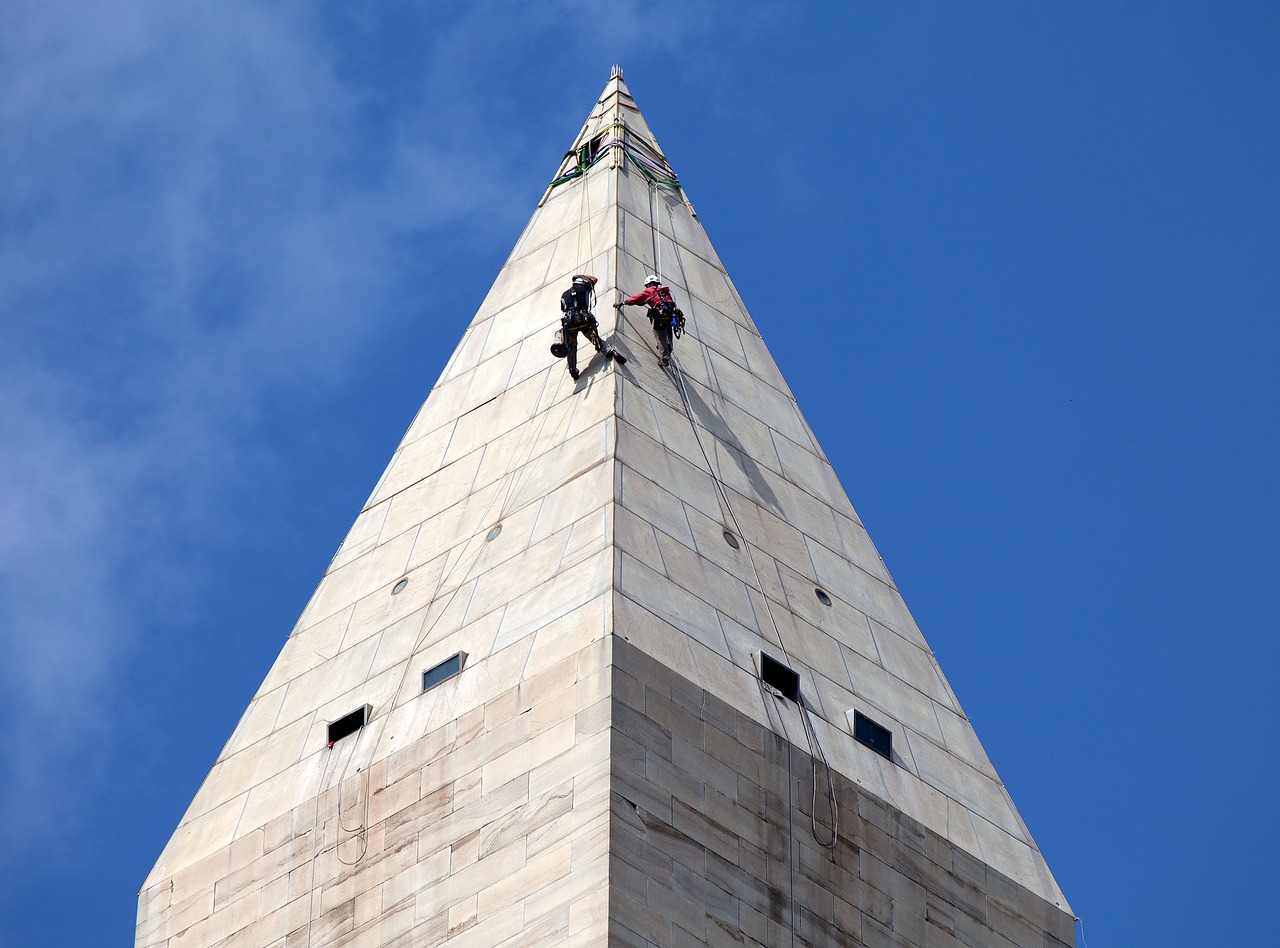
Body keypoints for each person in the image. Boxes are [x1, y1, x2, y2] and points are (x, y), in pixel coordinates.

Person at [555, 274, 623, 380]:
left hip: (570, 324)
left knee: (571, 347)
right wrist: (580, 275)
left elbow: (563, 310)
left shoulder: (564, 295)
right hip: (584, 320)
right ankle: (610, 351)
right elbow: (594, 279)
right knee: (594, 337)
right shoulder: (584, 287)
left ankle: (572, 369)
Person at [617, 274, 683, 367]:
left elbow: (636, 298)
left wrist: (624, 302)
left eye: (647, 285)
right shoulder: (665, 291)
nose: (647, 287)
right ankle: (668, 348)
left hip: (660, 316)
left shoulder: (650, 290)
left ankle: (665, 358)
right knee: (668, 332)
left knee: (660, 336)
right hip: (671, 315)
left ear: (651, 284)